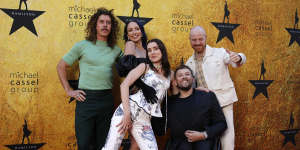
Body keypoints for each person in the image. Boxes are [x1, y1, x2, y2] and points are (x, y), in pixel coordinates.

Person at [56, 8, 122, 150]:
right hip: (86, 100)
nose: (105, 25)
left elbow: (129, 68)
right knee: (84, 144)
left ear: (112, 27)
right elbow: (61, 66)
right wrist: (69, 90)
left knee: (104, 145)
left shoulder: (116, 50)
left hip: (106, 100)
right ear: (95, 25)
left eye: (108, 23)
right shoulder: (82, 46)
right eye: (101, 22)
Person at [101, 39, 171, 150]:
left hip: (144, 119)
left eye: (156, 49)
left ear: (162, 50)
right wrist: (127, 114)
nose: (152, 52)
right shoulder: (145, 66)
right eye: (149, 50)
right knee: (111, 148)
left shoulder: (169, 74)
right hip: (126, 111)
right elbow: (124, 85)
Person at [186, 26, 246, 150]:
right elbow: (190, 88)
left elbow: (236, 61)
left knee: (228, 140)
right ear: (190, 40)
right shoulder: (189, 63)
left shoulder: (219, 52)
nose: (197, 42)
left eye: (200, 39)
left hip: (224, 102)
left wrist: (238, 57)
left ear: (205, 38)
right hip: (206, 108)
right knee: (208, 141)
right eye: (194, 40)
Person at [167, 65, 227, 150]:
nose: (184, 77)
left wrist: (203, 135)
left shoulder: (207, 96)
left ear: (193, 79)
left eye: (187, 74)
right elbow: (160, 127)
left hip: (204, 144)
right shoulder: (170, 103)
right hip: (180, 146)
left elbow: (222, 124)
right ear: (175, 82)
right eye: (180, 75)